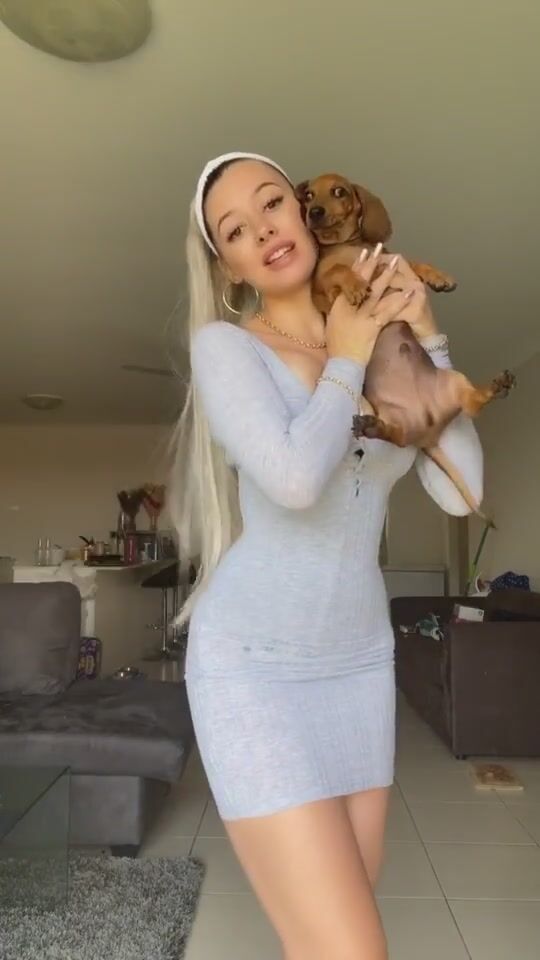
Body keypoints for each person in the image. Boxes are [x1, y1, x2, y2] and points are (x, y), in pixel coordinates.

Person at [170, 151, 483, 960]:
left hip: (358, 667)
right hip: (254, 669)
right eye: (235, 230)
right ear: (229, 266)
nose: (264, 229)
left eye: (272, 202)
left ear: (304, 211)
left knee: (324, 943)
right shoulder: (228, 348)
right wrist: (346, 355)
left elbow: (462, 494)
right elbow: (295, 481)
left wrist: (429, 338)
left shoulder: (382, 348)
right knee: (352, 949)